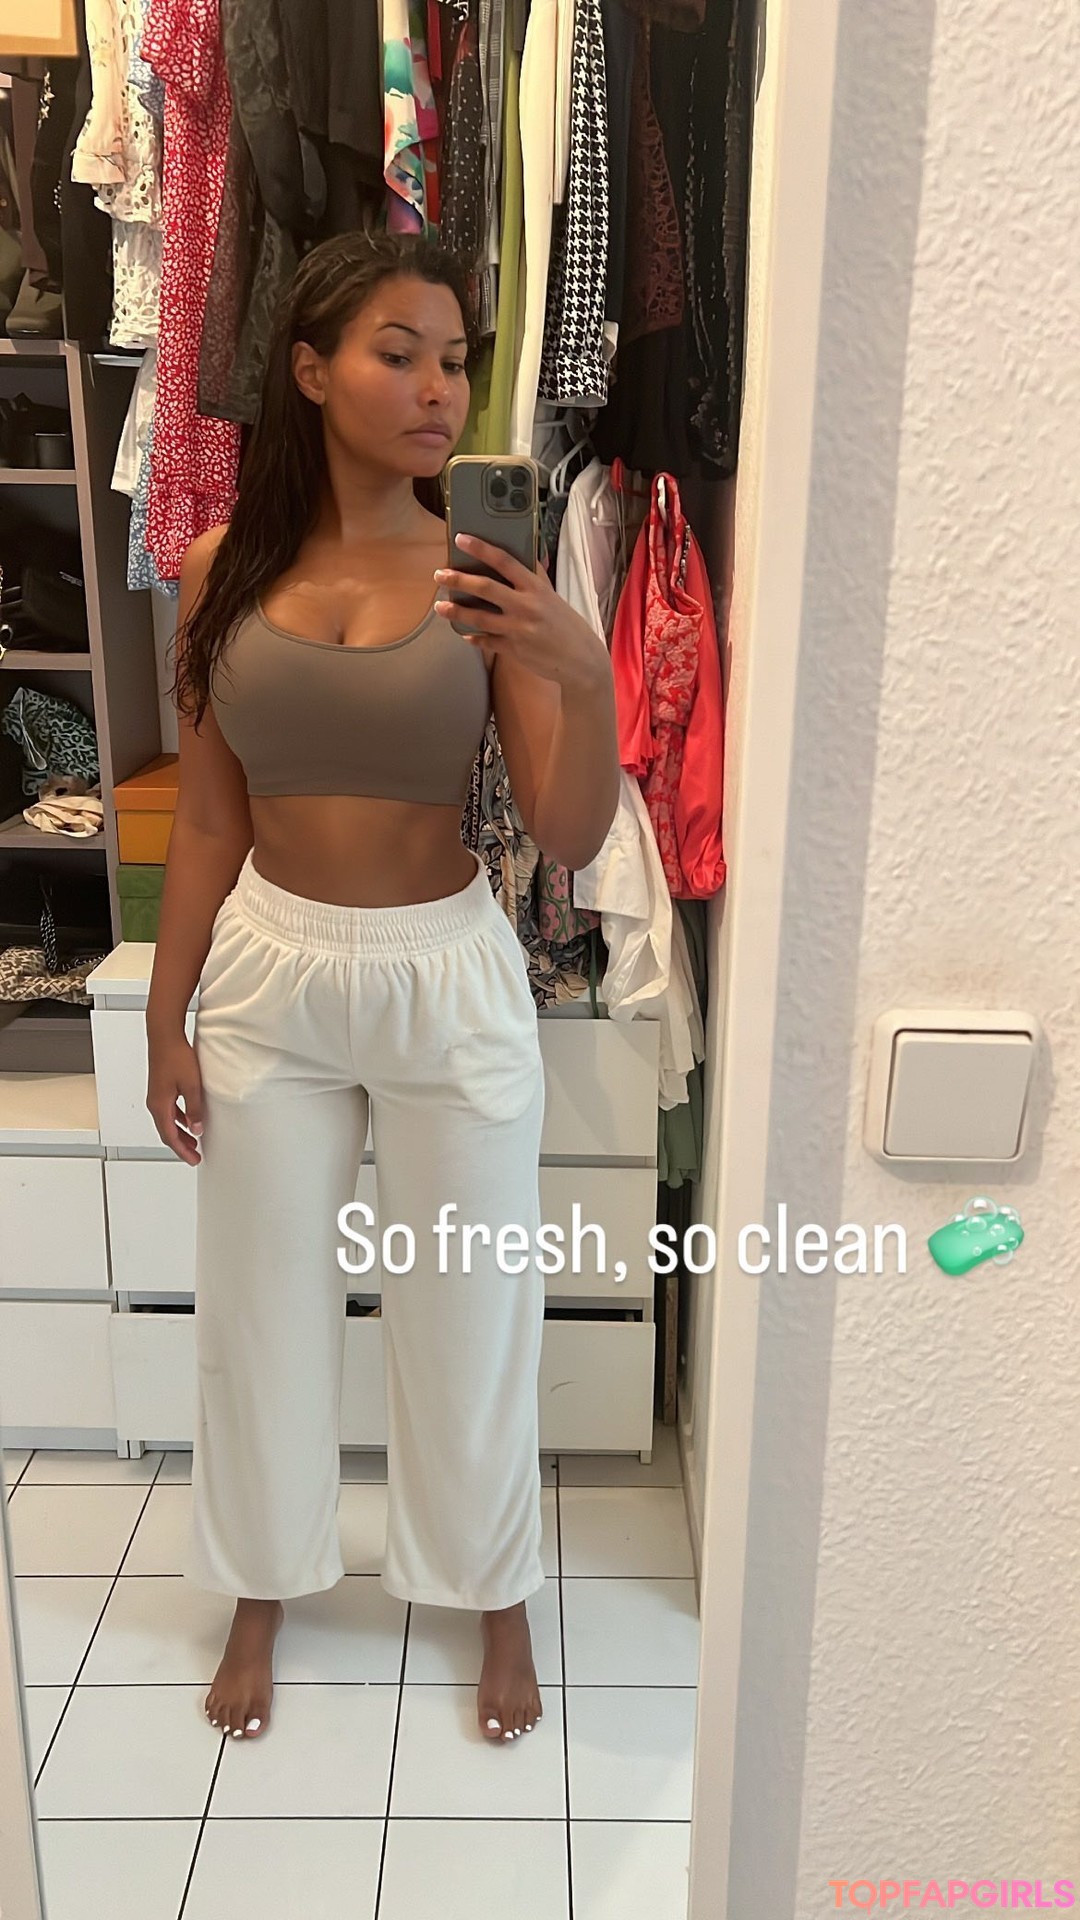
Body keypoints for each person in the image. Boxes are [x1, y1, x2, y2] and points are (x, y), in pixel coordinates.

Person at [144, 230, 620, 1750]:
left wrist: (583, 672)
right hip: (268, 971)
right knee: (262, 1303)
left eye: (455, 361)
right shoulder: (221, 571)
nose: (438, 390)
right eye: (398, 355)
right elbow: (207, 817)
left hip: (446, 972)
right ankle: (263, 1581)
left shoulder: (484, 578)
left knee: (471, 1306)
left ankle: (492, 1591)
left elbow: (567, 833)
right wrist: (164, 1011)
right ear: (308, 370)